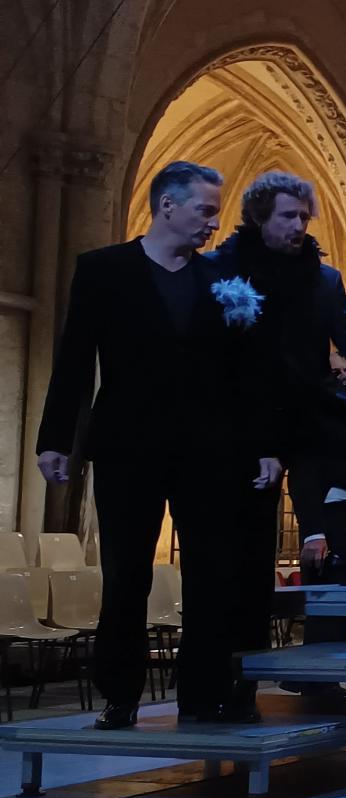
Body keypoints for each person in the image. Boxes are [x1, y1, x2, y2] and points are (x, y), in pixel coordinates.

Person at [35, 161, 282, 729]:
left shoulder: (221, 278)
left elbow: (248, 374)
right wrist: (55, 441)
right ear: (167, 206)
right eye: (205, 210)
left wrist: (265, 444)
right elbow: (75, 360)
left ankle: (201, 693)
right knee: (127, 573)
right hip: (128, 445)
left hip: (208, 450)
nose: (213, 224)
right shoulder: (103, 270)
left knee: (209, 571)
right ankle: (120, 693)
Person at [208, 171, 346, 702]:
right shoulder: (220, 270)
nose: (299, 225)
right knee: (242, 553)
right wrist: (253, 436)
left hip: (310, 410)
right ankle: (232, 683)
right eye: (288, 216)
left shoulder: (324, 280)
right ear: (259, 217)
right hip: (243, 418)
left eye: (304, 217)